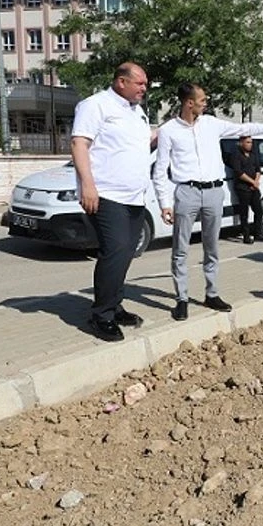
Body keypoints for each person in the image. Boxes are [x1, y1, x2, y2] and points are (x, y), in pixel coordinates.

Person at [153, 83, 263, 320]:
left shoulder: (211, 124)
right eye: (202, 100)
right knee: (180, 249)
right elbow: (159, 170)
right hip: (186, 192)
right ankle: (182, 298)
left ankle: (212, 293)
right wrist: (164, 203)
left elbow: (245, 127)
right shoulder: (168, 131)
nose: (205, 103)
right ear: (189, 103)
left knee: (212, 247)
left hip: (213, 192)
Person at [70, 62, 155, 342]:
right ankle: (101, 315)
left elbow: (141, 144)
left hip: (134, 197)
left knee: (126, 253)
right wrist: (88, 186)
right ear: (121, 82)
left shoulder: (136, 111)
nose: (145, 88)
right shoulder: (95, 105)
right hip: (107, 194)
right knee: (115, 250)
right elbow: (79, 144)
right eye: (140, 83)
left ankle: (115, 305)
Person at [226, 134, 263, 244]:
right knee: (244, 213)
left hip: (254, 188)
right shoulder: (236, 155)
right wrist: (252, 181)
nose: (250, 144)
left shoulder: (253, 155)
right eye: (248, 142)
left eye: (251, 142)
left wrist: (256, 181)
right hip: (242, 188)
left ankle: (258, 233)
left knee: (258, 210)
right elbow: (239, 173)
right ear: (241, 143)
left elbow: (258, 169)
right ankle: (246, 235)